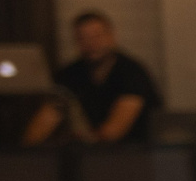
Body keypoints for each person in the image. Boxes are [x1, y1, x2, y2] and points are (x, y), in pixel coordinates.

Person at [22, 10, 162, 145]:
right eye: (82, 38)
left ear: (112, 36)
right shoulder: (70, 74)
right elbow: (48, 116)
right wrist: (28, 149)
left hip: (137, 151)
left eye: (97, 36)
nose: (91, 43)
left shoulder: (132, 72)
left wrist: (82, 142)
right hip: (89, 152)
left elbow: (114, 131)